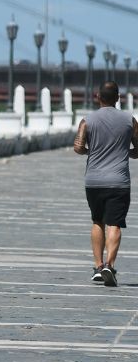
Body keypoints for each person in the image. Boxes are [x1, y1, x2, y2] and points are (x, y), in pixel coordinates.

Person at [74, 81, 138, 287]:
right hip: (119, 181)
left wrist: (91, 152)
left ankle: (98, 266)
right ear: (118, 98)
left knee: (97, 221)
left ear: (97, 97)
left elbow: (78, 146)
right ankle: (110, 265)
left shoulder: (88, 120)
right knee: (115, 223)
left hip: (94, 181)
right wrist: (125, 152)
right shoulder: (130, 120)